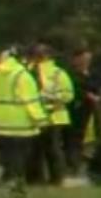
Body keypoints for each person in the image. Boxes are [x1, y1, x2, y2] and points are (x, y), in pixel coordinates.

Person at [0, 46, 47, 185]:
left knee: (4, 155)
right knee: (19, 156)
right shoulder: (22, 76)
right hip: (21, 125)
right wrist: (42, 121)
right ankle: (13, 181)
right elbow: (31, 102)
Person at [29, 42, 72, 186]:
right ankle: (37, 179)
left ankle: (55, 179)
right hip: (35, 116)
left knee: (51, 150)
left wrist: (55, 99)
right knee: (36, 150)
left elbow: (68, 94)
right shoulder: (28, 71)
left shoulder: (57, 72)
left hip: (54, 116)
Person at [63, 45, 99, 184]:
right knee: (72, 142)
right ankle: (72, 168)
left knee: (86, 142)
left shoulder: (90, 74)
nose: (86, 62)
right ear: (76, 59)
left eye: (88, 59)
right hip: (74, 113)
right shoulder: (70, 74)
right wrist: (86, 95)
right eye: (83, 59)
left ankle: (83, 168)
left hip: (89, 114)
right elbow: (73, 89)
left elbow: (96, 87)